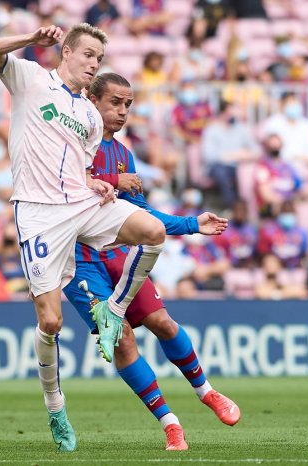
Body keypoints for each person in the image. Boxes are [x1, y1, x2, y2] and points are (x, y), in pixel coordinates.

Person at [0, 23, 166, 451]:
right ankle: (56, 407)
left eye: (99, 58)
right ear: (66, 51)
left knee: (152, 231)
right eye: (88, 55)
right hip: (38, 213)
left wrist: (96, 183)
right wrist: (30, 39)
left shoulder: (88, 116)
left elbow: (81, 168)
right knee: (50, 321)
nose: (94, 63)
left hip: (79, 204)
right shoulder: (30, 78)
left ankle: (113, 310)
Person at [62, 72, 236, 451]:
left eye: (128, 104)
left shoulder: (123, 153)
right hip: (78, 260)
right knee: (122, 339)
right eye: (115, 103)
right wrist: (110, 180)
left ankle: (207, 392)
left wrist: (193, 224)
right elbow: (62, 184)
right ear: (91, 101)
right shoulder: (70, 141)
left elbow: (140, 214)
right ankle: (171, 424)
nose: (123, 111)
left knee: (163, 322)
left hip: (118, 253)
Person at [201, 99, 259, 207]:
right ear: (222, 113)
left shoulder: (242, 129)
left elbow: (256, 150)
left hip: (239, 166)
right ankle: (232, 207)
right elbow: (209, 156)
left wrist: (246, 155)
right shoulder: (212, 130)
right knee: (221, 173)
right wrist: (234, 155)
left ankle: (249, 209)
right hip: (218, 167)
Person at [262, 92, 308, 170]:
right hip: (282, 169)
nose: (294, 106)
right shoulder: (273, 123)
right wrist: (296, 157)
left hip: (305, 168)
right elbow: (275, 150)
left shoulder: (307, 125)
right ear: (282, 105)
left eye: (296, 103)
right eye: (290, 103)